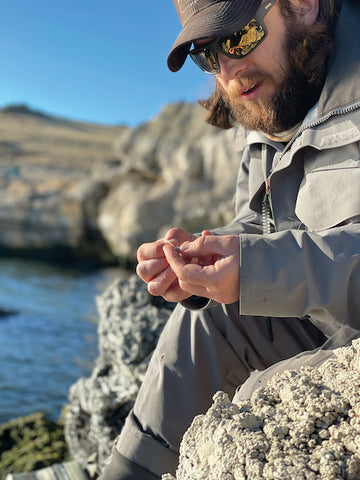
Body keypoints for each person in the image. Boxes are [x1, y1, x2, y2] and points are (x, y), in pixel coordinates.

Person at [99, 0, 360, 478]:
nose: (227, 71)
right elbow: (258, 223)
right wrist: (210, 253)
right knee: (205, 320)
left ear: (302, 5)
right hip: (326, 317)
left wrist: (259, 268)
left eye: (238, 38)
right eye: (207, 54)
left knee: (252, 414)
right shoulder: (263, 97)